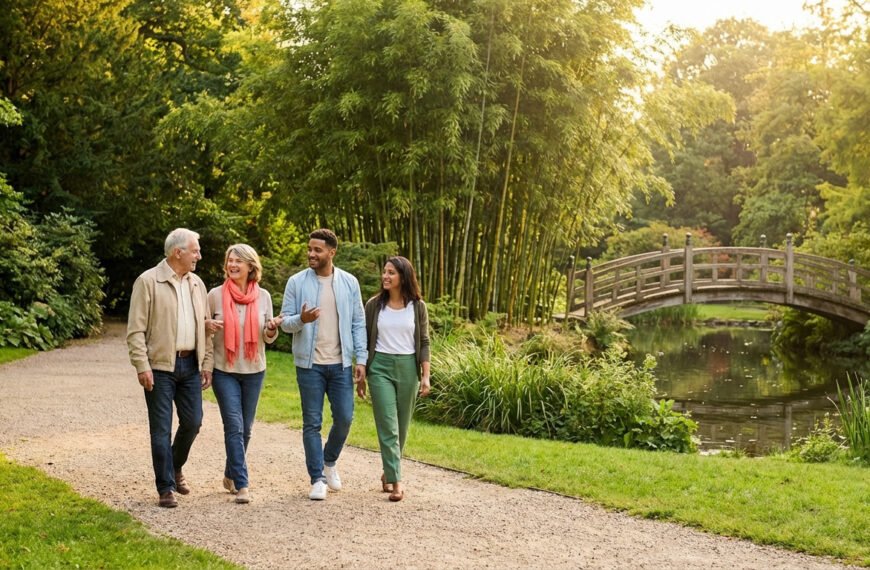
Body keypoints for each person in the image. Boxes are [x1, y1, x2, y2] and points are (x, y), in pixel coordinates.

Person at [127, 228, 213, 508]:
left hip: (190, 365)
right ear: (178, 252)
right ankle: (165, 487)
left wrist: (206, 363)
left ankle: (174, 466)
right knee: (161, 429)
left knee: (193, 422)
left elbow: (205, 328)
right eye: (195, 251)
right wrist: (142, 365)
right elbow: (135, 331)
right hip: (160, 366)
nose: (199, 256)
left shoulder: (197, 284)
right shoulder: (148, 281)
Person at [280, 228, 367, 500]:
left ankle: (329, 461)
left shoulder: (349, 283)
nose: (311, 254)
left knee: (345, 417)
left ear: (332, 252)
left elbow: (358, 323)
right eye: (309, 249)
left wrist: (361, 359)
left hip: (341, 364)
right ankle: (317, 478)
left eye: (317, 250)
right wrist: (301, 320)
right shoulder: (296, 282)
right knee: (312, 423)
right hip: (310, 365)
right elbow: (284, 322)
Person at [205, 244, 283, 504]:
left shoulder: (264, 297)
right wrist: (207, 327)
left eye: (238, 261)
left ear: (251, 266)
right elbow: (204, 333)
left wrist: (271, 329)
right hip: (224, 370)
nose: (232, 265)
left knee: (246, 429)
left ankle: (230, 473)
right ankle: (242, 484)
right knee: (234, 426)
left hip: (254, 370)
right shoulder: (215, 295)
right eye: (230, 260)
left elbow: (268, 337)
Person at [358, 256, 430, 502]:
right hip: (380, 367)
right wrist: (362, 371)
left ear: (403, 277)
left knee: (402, 426)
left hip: (408, 368)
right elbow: (364, 340)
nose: (385, 277)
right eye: (384, 272)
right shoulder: (374, 305)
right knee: (388, 426)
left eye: (391, 273)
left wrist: (426, 376)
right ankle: (397, 482)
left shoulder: (417, 307)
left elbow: (424, 342)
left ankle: (388, 471)